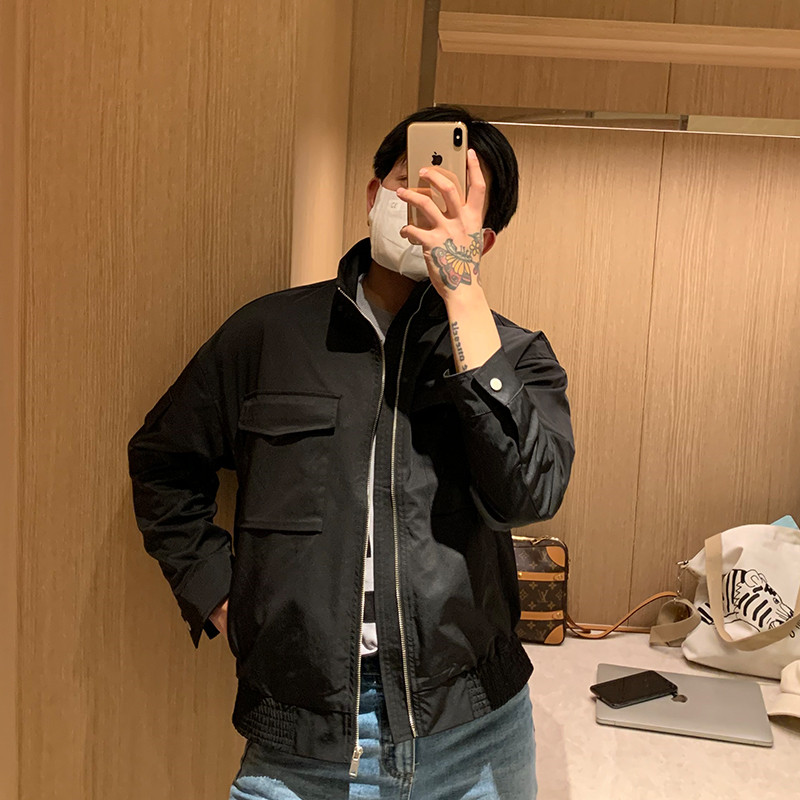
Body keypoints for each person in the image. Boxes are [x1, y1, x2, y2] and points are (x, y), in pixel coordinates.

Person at [127, 104, 575, 800]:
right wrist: (218, 594)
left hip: (473, 738)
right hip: (298, 744)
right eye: (410, 181)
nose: (425, 206)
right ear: (373, 195)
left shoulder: (516, 358)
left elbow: (529, 494)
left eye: (453, 200)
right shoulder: (269, 336)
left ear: (483, 239)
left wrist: (461, 292)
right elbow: (163, 463)